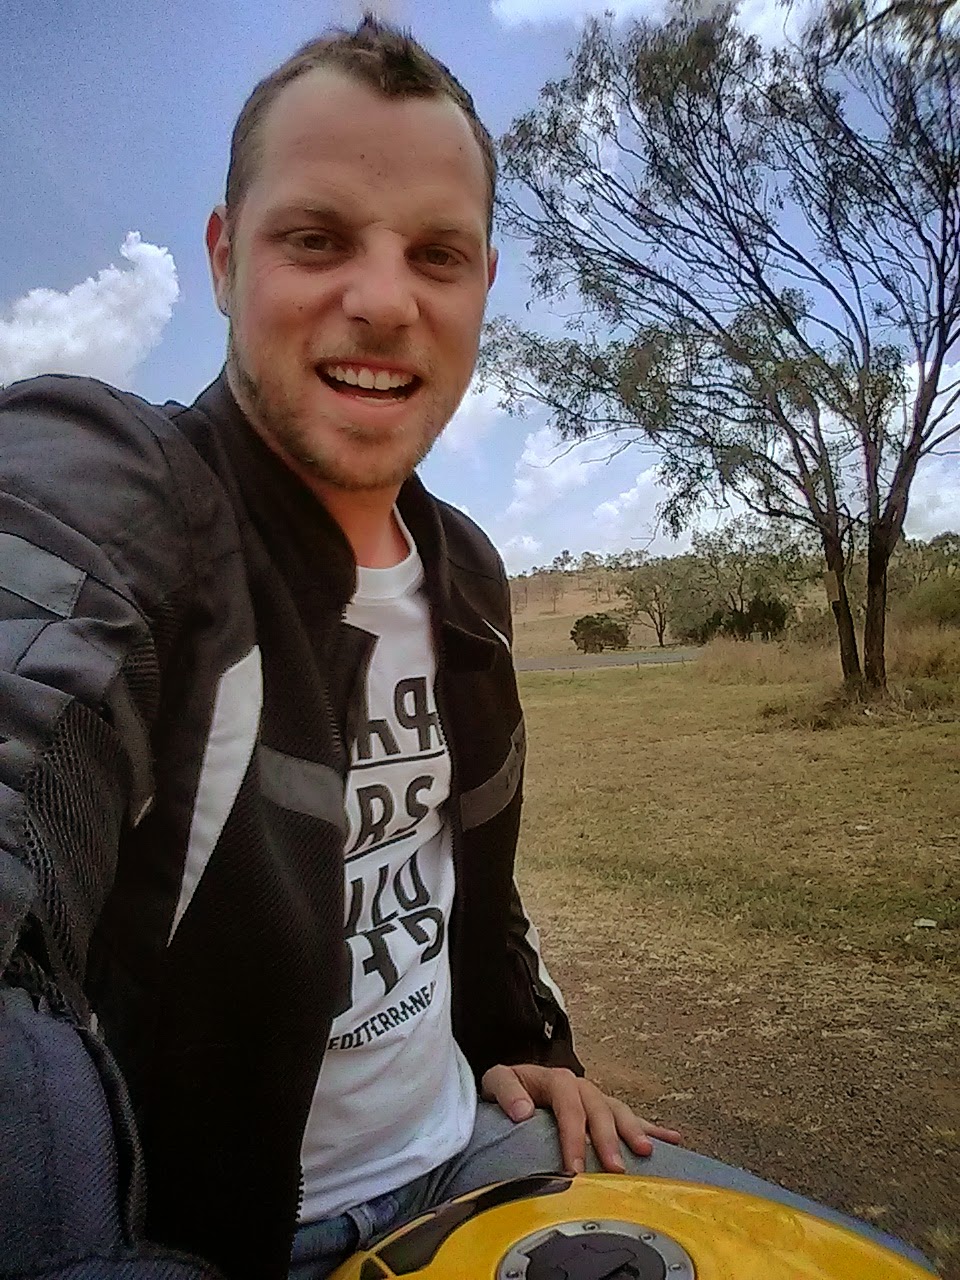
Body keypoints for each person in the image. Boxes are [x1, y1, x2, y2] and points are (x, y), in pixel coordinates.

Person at [0, 18, 935, 1280]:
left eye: (436, 254)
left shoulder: (468, 578)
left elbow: (462, 870)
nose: (385, 300)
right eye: (316, 238)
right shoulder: (119, 488)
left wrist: (529, 1039)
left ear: (483, 283)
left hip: (475, 1146)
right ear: (223, 259)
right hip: (206, 1235)